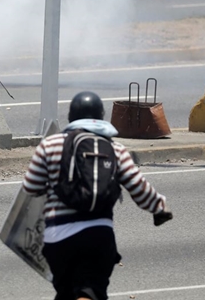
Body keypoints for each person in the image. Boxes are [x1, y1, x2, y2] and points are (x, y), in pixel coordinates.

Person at [22, 91, 173, 300]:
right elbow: (140, 189)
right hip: (98, 236)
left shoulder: (50, 146)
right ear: (101, 117)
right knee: (89, 291)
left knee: (67, 293)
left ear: (71, 117)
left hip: (58, 238)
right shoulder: (115, 149)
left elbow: (30, 187)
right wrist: (159, 208)